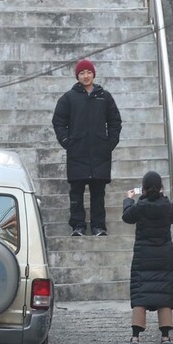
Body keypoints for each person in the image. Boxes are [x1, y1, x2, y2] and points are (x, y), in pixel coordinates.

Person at [51, 59, 122, 237]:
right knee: (76, 193)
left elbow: (115, 121)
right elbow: (58, 122)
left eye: (88, 72)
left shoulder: (104, 97)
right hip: (77, 153)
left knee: (98, 193)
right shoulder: (68, 98)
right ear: (77, 76)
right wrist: (67, 141)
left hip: (100, 153)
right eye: (81, 73)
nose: (85, 76)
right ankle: (78, 225)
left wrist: (109, 143)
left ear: (93, 74)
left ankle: (99, 226)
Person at [122, 170, 173, 344]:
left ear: (143, 188)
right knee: (164, 297)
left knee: (140, 296)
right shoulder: (167, 206)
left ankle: (135, 338)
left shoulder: (140, 206)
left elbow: (127, 217)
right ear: (160, 188)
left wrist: (129, 199)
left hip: (143, 257)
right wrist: (163, 197)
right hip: (164, 257)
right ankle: (166, 338)